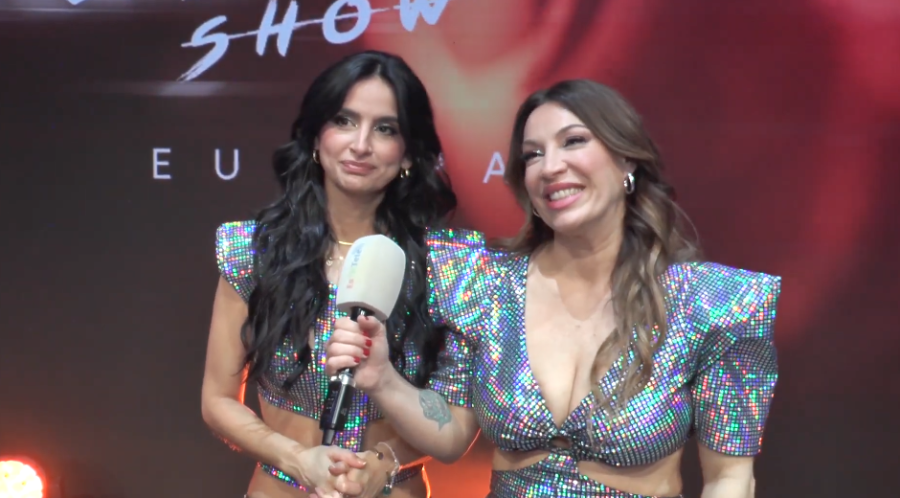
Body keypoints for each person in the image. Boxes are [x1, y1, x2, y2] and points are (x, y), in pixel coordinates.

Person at [323, 79, 781, 497]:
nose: (550, 167)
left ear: (627, 159)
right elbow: (451, 435)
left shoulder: (713, 303)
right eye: (533, 155)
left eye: (573, 141)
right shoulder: (485, 285)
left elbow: (729, 478)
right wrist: (383, 379)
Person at [202, 50, 481, 498]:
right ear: (316, 136)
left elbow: (454, 431)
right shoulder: (253, 251)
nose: (361, 144)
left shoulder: (451, 266)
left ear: (408, 153)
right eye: (344, 121)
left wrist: (382, 463)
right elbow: (217, 401)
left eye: (385, 129)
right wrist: (298, 460)